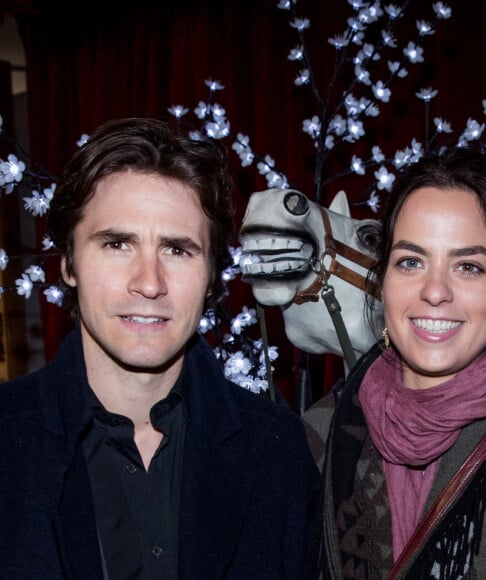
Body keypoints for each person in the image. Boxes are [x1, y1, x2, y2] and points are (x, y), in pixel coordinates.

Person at [0, 117, 319, 579]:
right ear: (68, 262)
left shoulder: (278, 454)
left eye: (177, 250)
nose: (149, 283)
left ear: (212, 274)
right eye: (117, 244)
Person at [303, 147, 486, 578]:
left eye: (468, 267)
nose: (435, 291)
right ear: (383, 283)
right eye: (411, 262)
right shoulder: (316, 436)